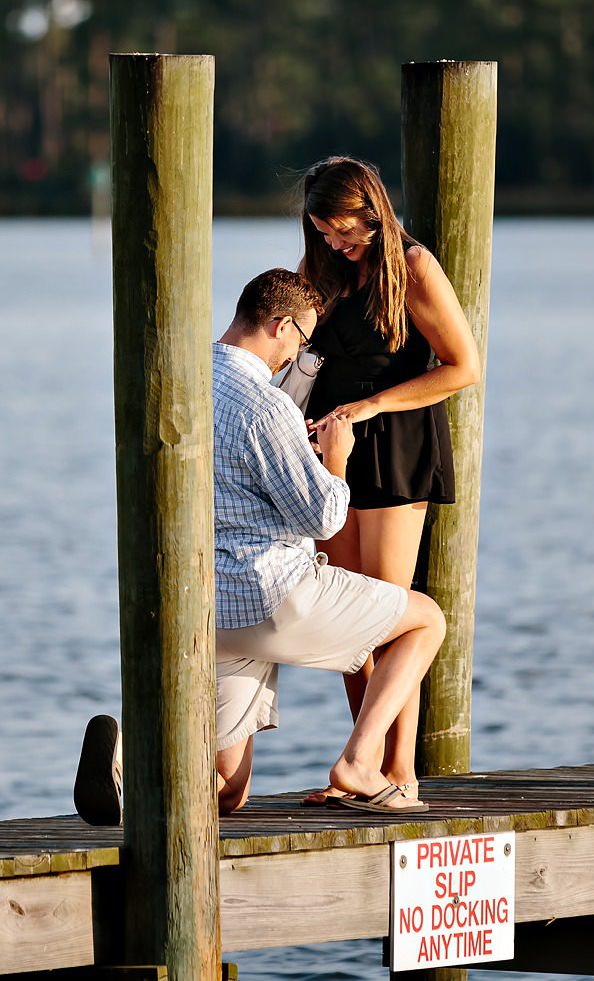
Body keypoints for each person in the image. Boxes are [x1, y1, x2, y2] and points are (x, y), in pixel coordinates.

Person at [74, 268, 447, 823]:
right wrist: (335, 453)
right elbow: (322, 518)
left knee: (228, 790)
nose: (299, 356)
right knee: (425, 620)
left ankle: (128, 760)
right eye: (302, 339)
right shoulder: (266, 406)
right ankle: (361, 762)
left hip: (205, 608)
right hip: (269, 595)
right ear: (279, 326)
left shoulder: (184, 379)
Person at [296, 156, 482, 804]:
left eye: (345, 232)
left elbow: (463, 366)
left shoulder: (416, 266)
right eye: (323, 234)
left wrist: (371, 407)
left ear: (373, 210)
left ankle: (400, 773)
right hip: (332, 448)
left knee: (390, 612)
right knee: (346, 617)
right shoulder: (321, 270)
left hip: (396, 442)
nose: (336, 245)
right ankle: (363, 767)